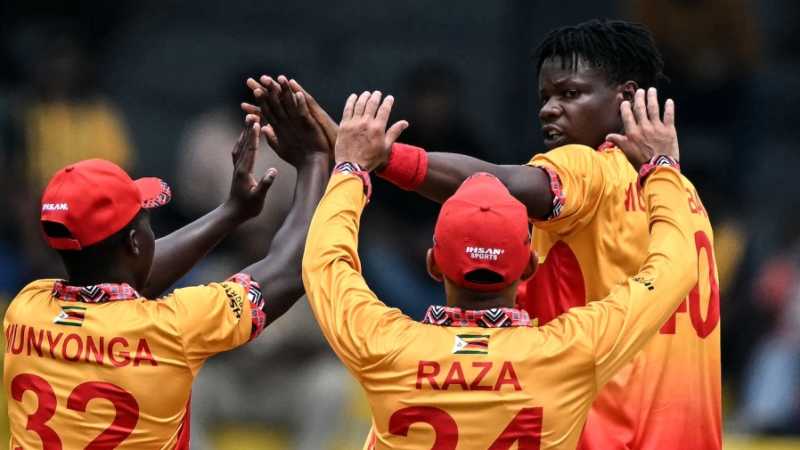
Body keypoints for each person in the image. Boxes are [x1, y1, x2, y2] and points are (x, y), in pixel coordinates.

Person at [267, 18, 721, 450]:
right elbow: (674, 272)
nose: (548, 108)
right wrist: (664, 166)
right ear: (525, 265)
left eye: (570, 93)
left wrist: (369, 160)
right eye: (545, 96)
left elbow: (496, 181)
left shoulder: (588, 166)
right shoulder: (679, 195)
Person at [3, 85, 331, 449]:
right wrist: (315, 160)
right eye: (145, 221)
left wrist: (231, 213)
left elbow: (127, 279)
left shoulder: (26, 309)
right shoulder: (173, 327)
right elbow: (288, 269)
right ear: (133, 242)